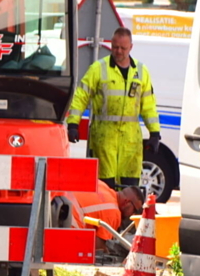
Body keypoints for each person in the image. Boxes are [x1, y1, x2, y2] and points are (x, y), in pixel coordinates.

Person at [66, 27, 161, 189]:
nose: (118, 51)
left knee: (129, 188)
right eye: (115, 47)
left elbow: (148, 105)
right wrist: (73, 124)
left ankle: (125, 216)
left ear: (131, 47)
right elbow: (81, 97)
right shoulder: (98, 69)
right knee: (104, 187)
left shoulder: (141, 71)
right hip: (104, 140)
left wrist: (155, 133)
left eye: (123, 48)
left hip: (130, 143)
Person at [57, 185, 143, 253]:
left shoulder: (103, 186)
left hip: (57, 206)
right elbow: (97, 248)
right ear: (126, 202)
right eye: (134, 210)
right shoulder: (113, 213)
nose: (133, 214)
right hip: (66, 226)